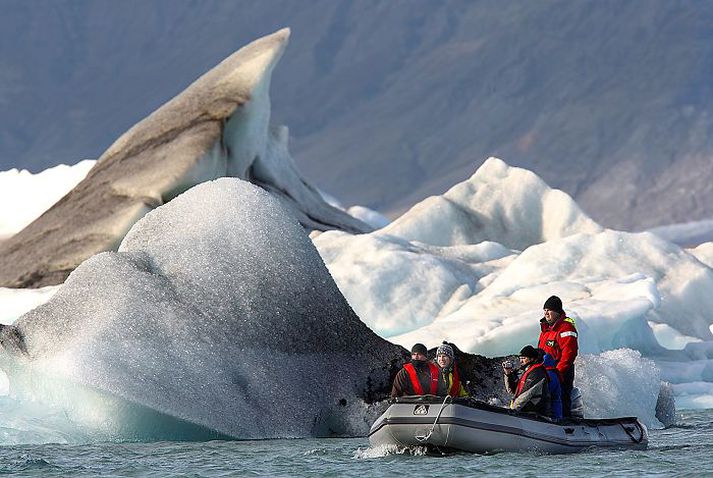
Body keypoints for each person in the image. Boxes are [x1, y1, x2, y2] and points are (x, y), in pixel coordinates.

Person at [538, 295, 578, 417]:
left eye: (549, 310)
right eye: (545, 310)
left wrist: (558, 374)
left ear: (557, 311)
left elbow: (569, 354)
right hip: (546, 372)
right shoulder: (546, 329)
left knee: (562, 399)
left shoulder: (565, 328)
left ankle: (565, 425)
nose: (546, 313)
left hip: (561, 373)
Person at [503, 345, 551, 416]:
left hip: (536, 414)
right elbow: (511, 390)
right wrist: (508, 374)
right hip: (525, 411)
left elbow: (525, 395)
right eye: (520, 358)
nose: (521, 361)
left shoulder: (537, 373)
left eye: (524, 358)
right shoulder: (527, 371)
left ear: (532, 359)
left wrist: (513, 410)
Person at [540, 350, 563, 420]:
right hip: (556, 412)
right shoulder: (553, 373)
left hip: (552, 414)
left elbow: (545, 393)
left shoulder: (549, 375)